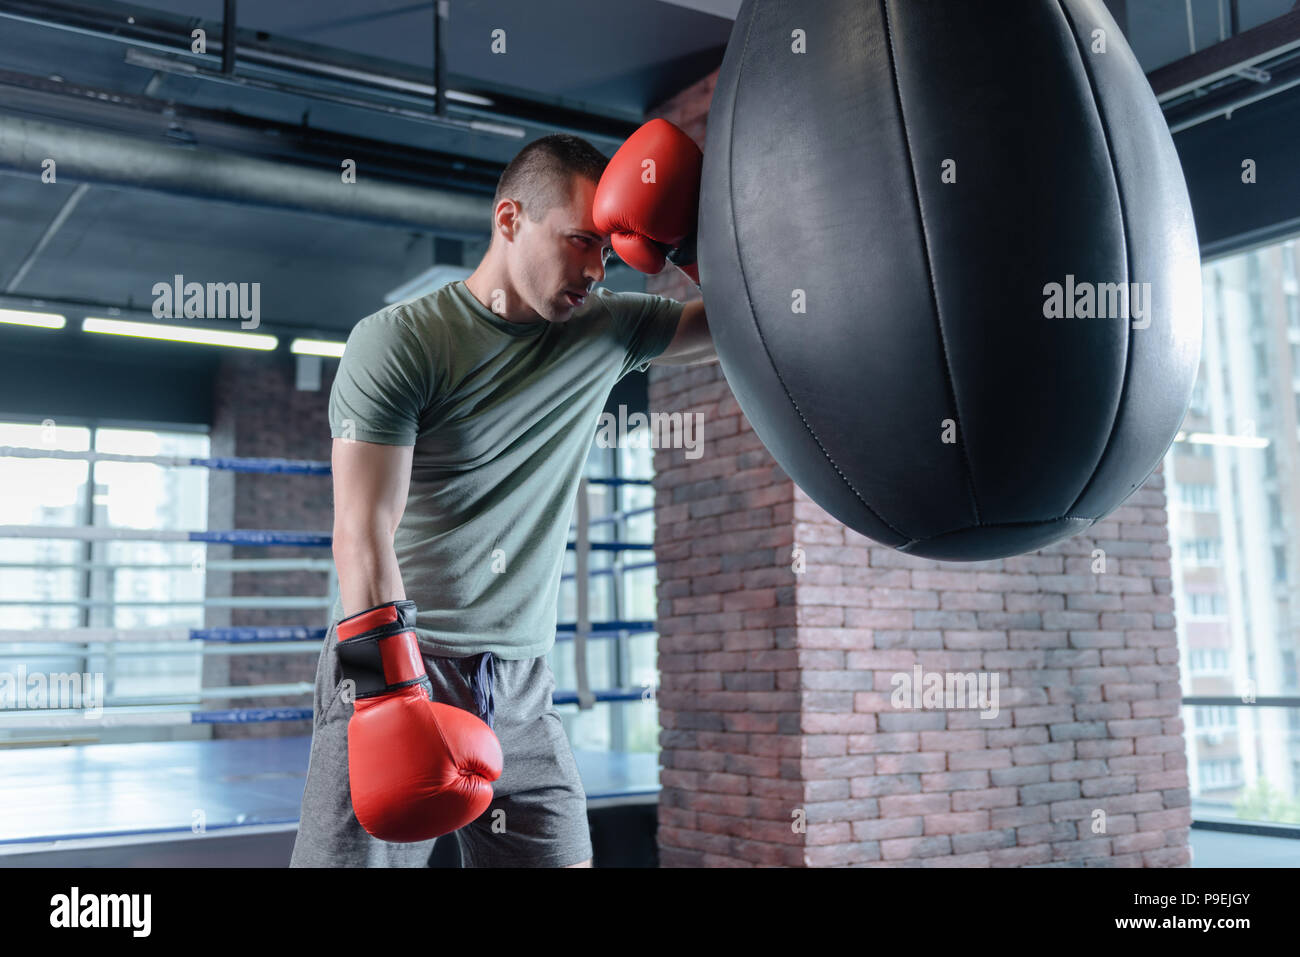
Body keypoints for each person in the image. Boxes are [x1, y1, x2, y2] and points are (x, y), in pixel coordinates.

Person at [290, 124, 715, 868]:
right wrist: (395, 697)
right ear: (511, 219)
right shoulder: (401, 342)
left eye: (610, 252)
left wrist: (688, 244)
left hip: (520, 684)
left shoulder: (605, 330)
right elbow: (362, 532)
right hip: (401, 662)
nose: (597, 270)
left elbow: (739, 323)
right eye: (582, 241)